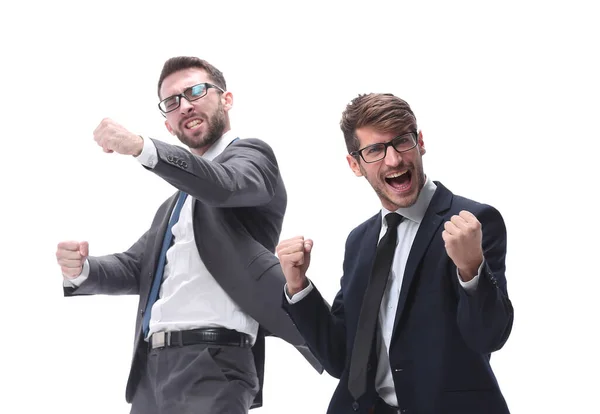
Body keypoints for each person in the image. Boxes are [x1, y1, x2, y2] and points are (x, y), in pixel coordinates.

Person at [56, 56, 320, 414]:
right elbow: (137, 267)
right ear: (168, 124)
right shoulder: (175, 205)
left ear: (226, 99)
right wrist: (80, 269)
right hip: (152, 370)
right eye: (172, 101)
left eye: (196, 90)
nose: (185, 104)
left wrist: (141, 148)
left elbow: (224, 186)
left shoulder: (253, 157)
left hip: (213, 360)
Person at [277, 93, 514, 414]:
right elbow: (339, 359)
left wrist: (472, 269)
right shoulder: (359, 241)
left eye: (401, 142)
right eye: (375, 150)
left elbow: (488, 338)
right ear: (355, 164)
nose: (393, 160)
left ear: (420, 142)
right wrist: (297, 287)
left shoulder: (473, 222)